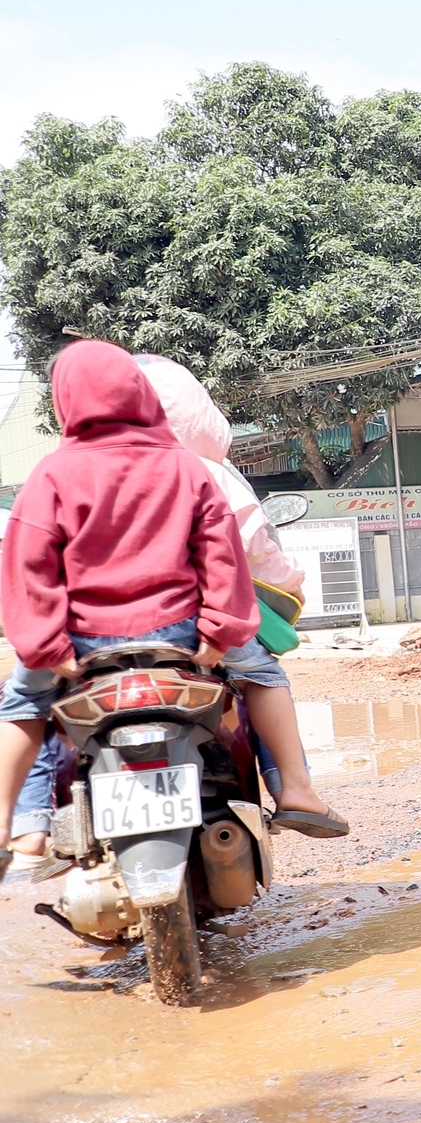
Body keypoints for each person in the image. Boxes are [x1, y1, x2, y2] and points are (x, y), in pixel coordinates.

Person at [0, 341, 344, 881]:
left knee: (22, 700)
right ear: (141, 397)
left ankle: (19, 831)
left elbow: (28, 570)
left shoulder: (50, 476)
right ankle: (296, 789)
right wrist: (221, 630)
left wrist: (47, 647)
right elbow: (222, 556)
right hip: (181, 636)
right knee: (262, 674)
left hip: (84, 644)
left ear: (65, 401)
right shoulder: (187, 468)